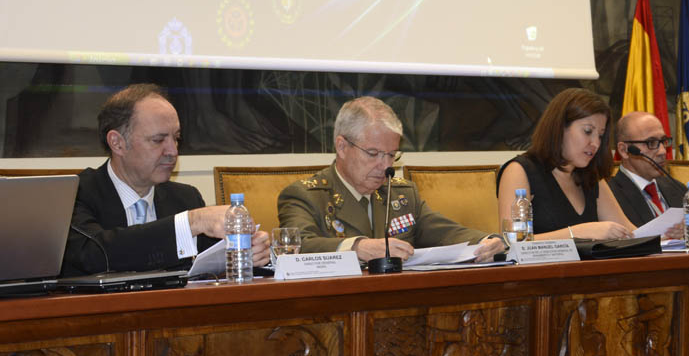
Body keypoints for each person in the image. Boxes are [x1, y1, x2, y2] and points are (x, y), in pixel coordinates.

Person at [61, 84, 270, 276]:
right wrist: (192, 223)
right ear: (117, 143)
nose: (173, 151)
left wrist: (246, 253)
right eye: (158, 140)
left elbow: (208, 267)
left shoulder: (185, 198)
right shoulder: (73, 194)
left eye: (176, 138)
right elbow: (96, 255)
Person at [278, 96, 504, 262]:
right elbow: (298, 246)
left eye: (391, 155)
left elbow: (447, 232)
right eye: (374, 154)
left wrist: (488, 240)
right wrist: (357, 248)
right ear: (342, 146)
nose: (386, 166)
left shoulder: (402, 195)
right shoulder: (305, 196)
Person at [497, 88, 634, 240]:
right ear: (560, 127)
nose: (595, 143)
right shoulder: (520, 171)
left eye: (600, 136)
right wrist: (580, 232)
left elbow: (629, 232)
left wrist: (662, 235)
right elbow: (513, 241)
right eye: (588, 131)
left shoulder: (591, 176)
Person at [606, 111, 686, 237]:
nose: (662, 151)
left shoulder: (679, 189)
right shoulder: (609, 196)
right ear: (624, 150)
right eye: (651, 143)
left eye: (664, 141)